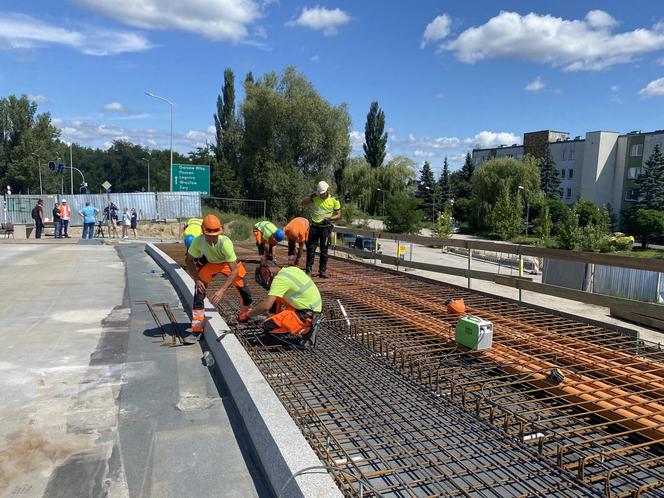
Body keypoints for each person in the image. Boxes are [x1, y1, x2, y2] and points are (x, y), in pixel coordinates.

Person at [185, 215, 253, 337]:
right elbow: (188, 260)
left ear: (219, 231)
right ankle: (197, 329)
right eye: (208, 235)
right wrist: (197, 280)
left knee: (245, 291)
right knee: (199, 293)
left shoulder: (225, 243)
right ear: (203, 231)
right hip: (210, 263)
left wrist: (222, 290)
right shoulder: (198, 241)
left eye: (214, 235)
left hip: (227, 264)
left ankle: (246, 314)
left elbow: (234, 270)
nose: (212, 238)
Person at [247, 262, 322, 349]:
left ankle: (306, 332)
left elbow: (265, 306)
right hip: (310, 309)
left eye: (263, 279)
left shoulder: (279, 279)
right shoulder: (291, 269)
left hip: (307, 316)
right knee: (276, 296)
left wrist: (247, 315)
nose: (265, 283)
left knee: (268, 325)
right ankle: (277, 319)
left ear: (266, 272)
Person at [302, 181, 342, 278]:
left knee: (324, 250)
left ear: (327, 191)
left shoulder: (334, 200)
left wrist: (330, 219)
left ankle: (322, 271)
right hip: (315, 227)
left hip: (326, 228)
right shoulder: (315, 198)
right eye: (320, 193)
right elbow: (302, 203)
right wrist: (312, 196)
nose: (321, 195)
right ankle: (309, 270)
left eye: (323, 193)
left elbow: (339, 215)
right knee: (311, 249)